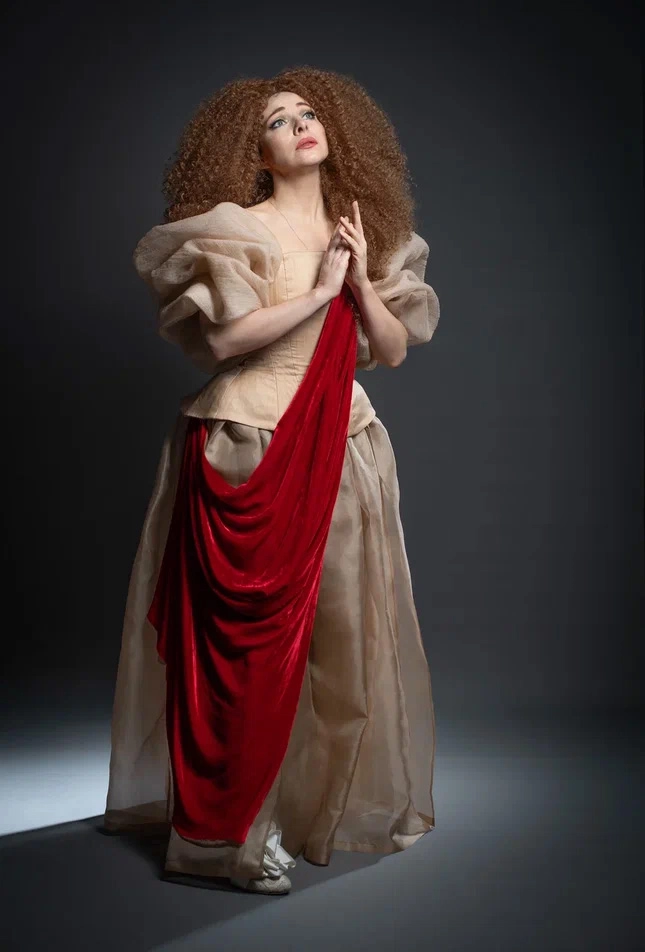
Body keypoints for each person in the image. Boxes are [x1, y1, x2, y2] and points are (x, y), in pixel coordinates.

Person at [103, 66, 440, 897]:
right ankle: (229, 836)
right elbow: (222, 344)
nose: (298, 126)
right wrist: (319, 291)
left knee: (341, 638)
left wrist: (355, 283)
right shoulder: (235, 231)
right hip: (249, 441)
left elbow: (392, 349)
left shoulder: (367, 227)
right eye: (276, 122)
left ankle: (304, 811)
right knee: (246, 651)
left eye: (307, 113)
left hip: (345, 440)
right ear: (251, 153)